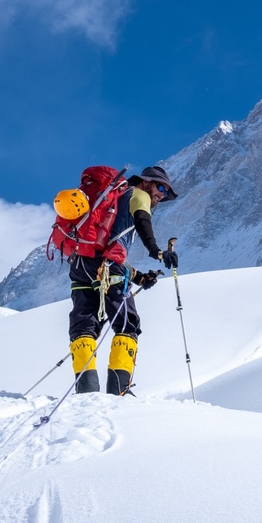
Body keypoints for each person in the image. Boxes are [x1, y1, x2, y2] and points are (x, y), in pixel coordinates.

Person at [68, 165, 180, 395]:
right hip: (109, 270)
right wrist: (157, 251)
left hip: (80, 265)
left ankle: (85, 390)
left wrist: (138, 277)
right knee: (127, 324)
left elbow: (108, 247)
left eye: (165, 192)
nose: (161, 194)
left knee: (84, 324)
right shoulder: (138, 195)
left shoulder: (113, 198)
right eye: (159, 186)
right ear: (145, 181)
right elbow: (142, 221)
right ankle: (119, 391)